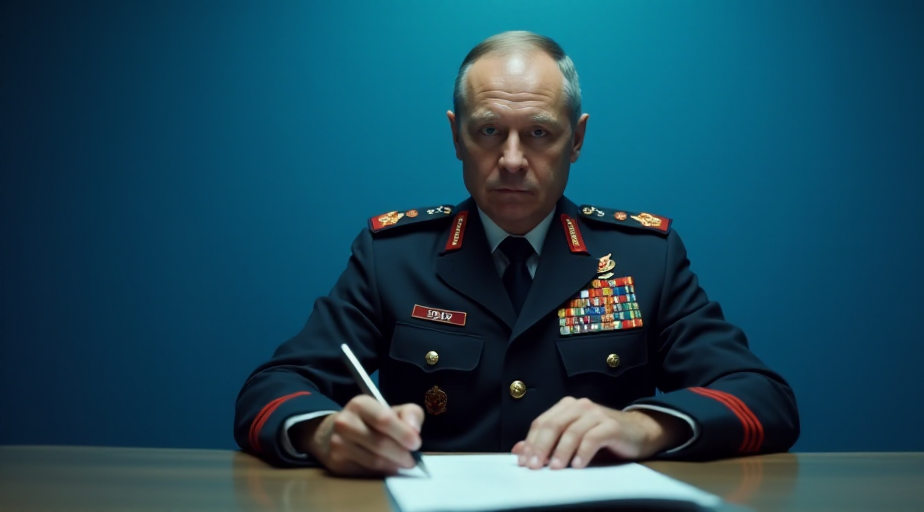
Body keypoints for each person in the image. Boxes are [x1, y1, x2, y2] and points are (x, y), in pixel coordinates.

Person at [234, 31, 799, 476]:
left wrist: (647, 428)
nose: (510, 159)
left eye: (537, 133)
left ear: (576, 140)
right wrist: (325, 433)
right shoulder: (392, 256)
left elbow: (763, 398)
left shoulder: (645, 259)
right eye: (487, 131)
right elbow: (272, 388)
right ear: (456, 136)